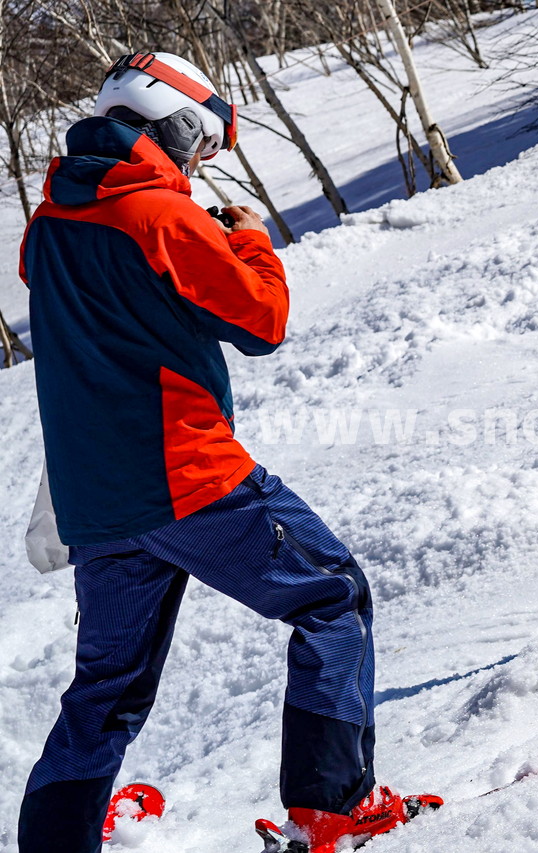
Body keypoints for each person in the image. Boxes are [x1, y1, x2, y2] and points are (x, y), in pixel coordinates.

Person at [17, 53, 423, 853]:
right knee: (333, 600)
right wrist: (250, 241)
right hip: (187, 478)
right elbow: (263, 322)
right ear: (176, 123)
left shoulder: (48, 225)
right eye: (198, 147)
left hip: (97, 502)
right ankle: (332, 805)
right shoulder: (163, 218)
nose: (198, 166)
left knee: (104, 690)